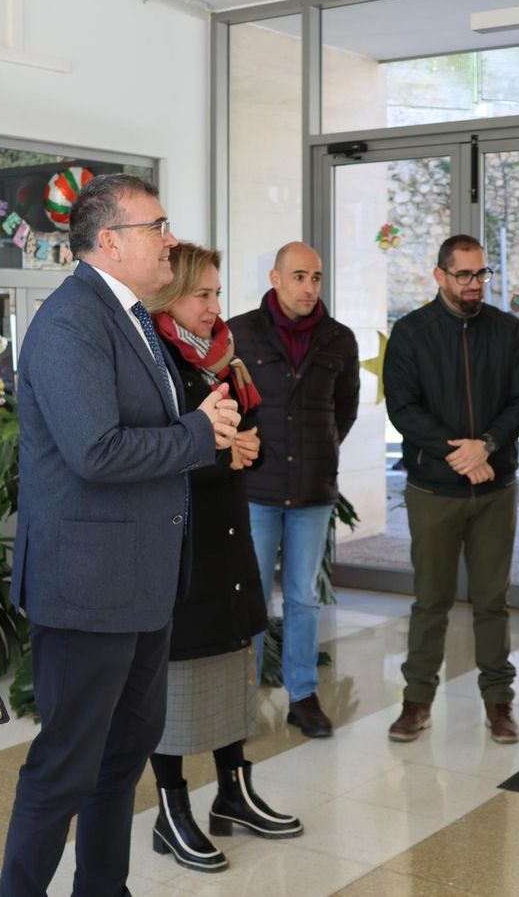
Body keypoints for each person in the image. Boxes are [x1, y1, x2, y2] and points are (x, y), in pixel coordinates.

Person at [0, 175, 240, 896]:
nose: (171, 240)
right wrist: (198, 433)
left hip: (139, 581)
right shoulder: (72, 321)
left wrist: (201, 432)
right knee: (67, 765)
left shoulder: (130, 316)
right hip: (88, 586)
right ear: (109, 241)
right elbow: (96, 451)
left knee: (123, 753)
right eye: (157, 227)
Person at [142, 242, 302, 873]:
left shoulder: (222, 359)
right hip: (180, 549)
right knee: (175, 688)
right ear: (170, 293)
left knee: (234, 671)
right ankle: (171, 810)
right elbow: (151, 457)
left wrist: (249, 450)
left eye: (216, 293)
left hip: (228, 542)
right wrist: (220, 456)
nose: (214, 306)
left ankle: (234, 793)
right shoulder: (153, 361)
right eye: (201, 294)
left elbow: (248, 438)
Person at [383, 234, 519, 744]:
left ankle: (499, 703)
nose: (475, 285)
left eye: (481, 274)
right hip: (433, 492)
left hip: (495, 490)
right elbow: (403, 409)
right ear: (440, 276)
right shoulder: (411, 333)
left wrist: (486, 446)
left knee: (493, 601)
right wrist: (461, 454)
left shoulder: (506, 330)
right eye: (464, 275)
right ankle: (416, 702)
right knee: (431, 601)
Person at [226, 242, 359, 738]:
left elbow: (343, 412)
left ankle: (303, 697)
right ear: (275, 278)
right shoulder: (239, 333)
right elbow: (226, 404)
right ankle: (242, 700)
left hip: (312, 491)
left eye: (316, 277)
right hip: (256, 488)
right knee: (253, 598)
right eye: (299, 276)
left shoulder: (339, 339)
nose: (309, 287)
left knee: (303, 598)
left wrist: (317, 450)